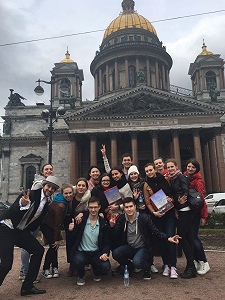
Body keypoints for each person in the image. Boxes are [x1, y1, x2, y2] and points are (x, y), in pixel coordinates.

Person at [0, 176, 60, 296]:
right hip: (7, 227)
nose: (50, 189)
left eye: (53, 188)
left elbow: (37, 220)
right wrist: (22, 204)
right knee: (7, 264)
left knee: (38, 250)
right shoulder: (31, 194)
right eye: (49, 186)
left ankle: (27, 287)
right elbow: (14, 210)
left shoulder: (47, 202)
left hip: (20, 231)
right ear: (44, 185)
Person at [110, 197, 180, 280]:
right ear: (124, 208)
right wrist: (112, 227)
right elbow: (115, 235)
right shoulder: (122, 219)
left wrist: (168, 238)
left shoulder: (144, 217)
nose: (129, 209)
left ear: (135, 206)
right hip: (130, 247)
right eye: (126, 207)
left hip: (143, 248)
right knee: (116, 253)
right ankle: (130, 266)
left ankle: (147, 268)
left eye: (131, 206)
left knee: (138, 262)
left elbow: (155, 231)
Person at [19, 163, 54, 283]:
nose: (49, 171)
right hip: (30, 221)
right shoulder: (38, 184)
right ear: (42, 171)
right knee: (27, 246)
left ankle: (24, 270)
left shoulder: (50, 186)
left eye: (50, 169)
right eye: (46, 169)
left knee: (30, 245)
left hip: (37, 221)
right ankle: (25, 272)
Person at [143, 163, 178, 279]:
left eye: (150, 170)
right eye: (147, 171)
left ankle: (173, 266)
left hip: (169, 214)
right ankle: (166, 264)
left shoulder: (165, 179)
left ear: (154, 169)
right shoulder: (146, 184)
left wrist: (171, 199)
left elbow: (172, 194)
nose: (149, 172)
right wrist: (154, 212)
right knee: (163, 239)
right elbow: (147, 202)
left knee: (170, 236)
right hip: (158, 215)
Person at [69, 197, 111, 286]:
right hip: (82, 251)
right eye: (91, 207)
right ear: (88, 208)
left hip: (96, 252)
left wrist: (105, 253)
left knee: (105, 267)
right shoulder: (81, 220)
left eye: (95, 207)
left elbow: (107, 242)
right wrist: (71, 230)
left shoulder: (103, 223)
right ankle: (81, 275)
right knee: (76, 260)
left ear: (99, 207)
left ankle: (96, 270)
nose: (93, 210)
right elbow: (73, 238)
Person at [166, 158, 197, 279]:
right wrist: (174, 199)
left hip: (186, 211)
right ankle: (191, 266)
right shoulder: (173, 179)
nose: (170, 169)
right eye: (168, 167)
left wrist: (181, 198)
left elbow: (186, 191)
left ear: (176, 166)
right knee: (187, 238)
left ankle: (191, 266)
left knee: (181, 238)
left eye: (172, 167)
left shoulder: (181, 177)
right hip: (182, 211)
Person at [41, 183, 73, 279]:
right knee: (53, 245)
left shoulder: (61, 200)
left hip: (51, 225)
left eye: (70, 193)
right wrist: (57, 239)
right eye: (66, 193)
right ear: (62, 194)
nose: (68, 195)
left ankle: (55, 267)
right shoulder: (61, 206)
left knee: (54, 247)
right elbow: (57, 224)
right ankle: (46, 268)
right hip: (47, 225)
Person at [184, 158, 210, 275]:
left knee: (194, 238)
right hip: (186, 213)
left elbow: (202, 200)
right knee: (189, 238)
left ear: (196, 169)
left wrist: (203, 216)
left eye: (193, 167)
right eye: (189, 166)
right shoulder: (184, 177)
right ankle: (195, 260)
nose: (190, 169)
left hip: (194, 213)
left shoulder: (198, 181)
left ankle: (204, 262)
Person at [64, 178, 91, 277]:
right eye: (79, 185)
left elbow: (90, 209)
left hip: (81, 222)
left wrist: (82, 214)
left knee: (80, 242)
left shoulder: (88, 197)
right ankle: (71, 265)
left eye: (83, 186)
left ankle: (81, 263)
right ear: (76, 186)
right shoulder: (71, 193)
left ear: (86, 188)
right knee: (70, 242)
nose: (81, 187)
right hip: (70, 221)